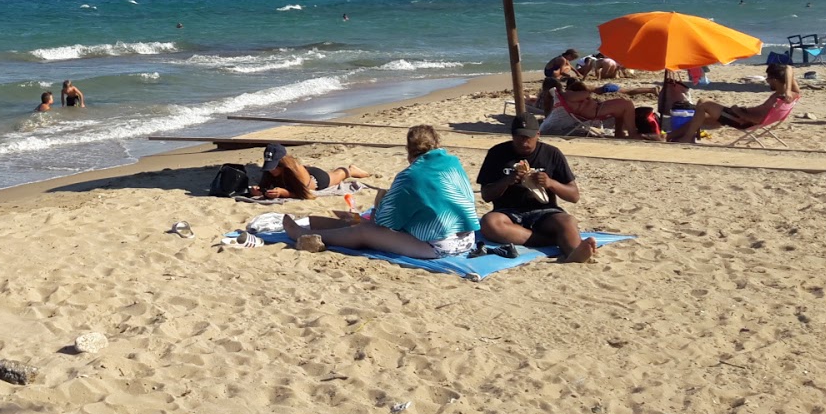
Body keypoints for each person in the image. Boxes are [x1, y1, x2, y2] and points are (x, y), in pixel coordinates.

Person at [281, 125, 478, 259]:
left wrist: (379, 205)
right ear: (437, 144)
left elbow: (383, 223)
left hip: (441, 246)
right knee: (359, 223)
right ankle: (313, 223)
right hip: (467, 239)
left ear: (408, 151)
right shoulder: (453, 163)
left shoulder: (410, 175)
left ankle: (301, 234)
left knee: (364, 230)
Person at [477, 115, 596, 263]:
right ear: (512, 136)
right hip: (508, 211)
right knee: (490, 223)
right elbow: (486, 195)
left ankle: (574, 253)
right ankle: (551, 239)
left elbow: (574, 196)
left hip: (544, 212)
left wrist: (550, 183)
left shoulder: (551, 153)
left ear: (538, 135)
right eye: (520, 137)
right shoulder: (497, 153)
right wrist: (506, 181)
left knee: (568, 221)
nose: (524, 142)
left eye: (529, 137)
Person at [667, 63, 799, 143]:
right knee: (701, 117)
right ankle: (669, 136)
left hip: (742, 120)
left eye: (768, 79)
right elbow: (788, 68)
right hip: (743, 116)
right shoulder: (791, 94)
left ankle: (687, 139)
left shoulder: (780, 98)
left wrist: (738, 111)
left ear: (775, 80)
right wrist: (787, 89)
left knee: (703, 103)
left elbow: (756, 118)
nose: (767, 81)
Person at [251, 143, 371, 200]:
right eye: (269, 166)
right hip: (307, 173)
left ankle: (351, 170)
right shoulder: (270, 170)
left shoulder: (294, 171)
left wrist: (285, 193)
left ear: (283, 164)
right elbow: (265, 185)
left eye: (275, 166)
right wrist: (259, 190)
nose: (271, 170)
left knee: (338, 175)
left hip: (316, 180)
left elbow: (307, 194)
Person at [558, 79, 645, 139]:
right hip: (595, 111)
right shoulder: (569, 95)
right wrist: (587, 90)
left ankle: (619, 133)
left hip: (596, 109)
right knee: (627, 104)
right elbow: (586, 94)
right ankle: (632, 132)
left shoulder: (567, 96)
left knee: (621, 108)